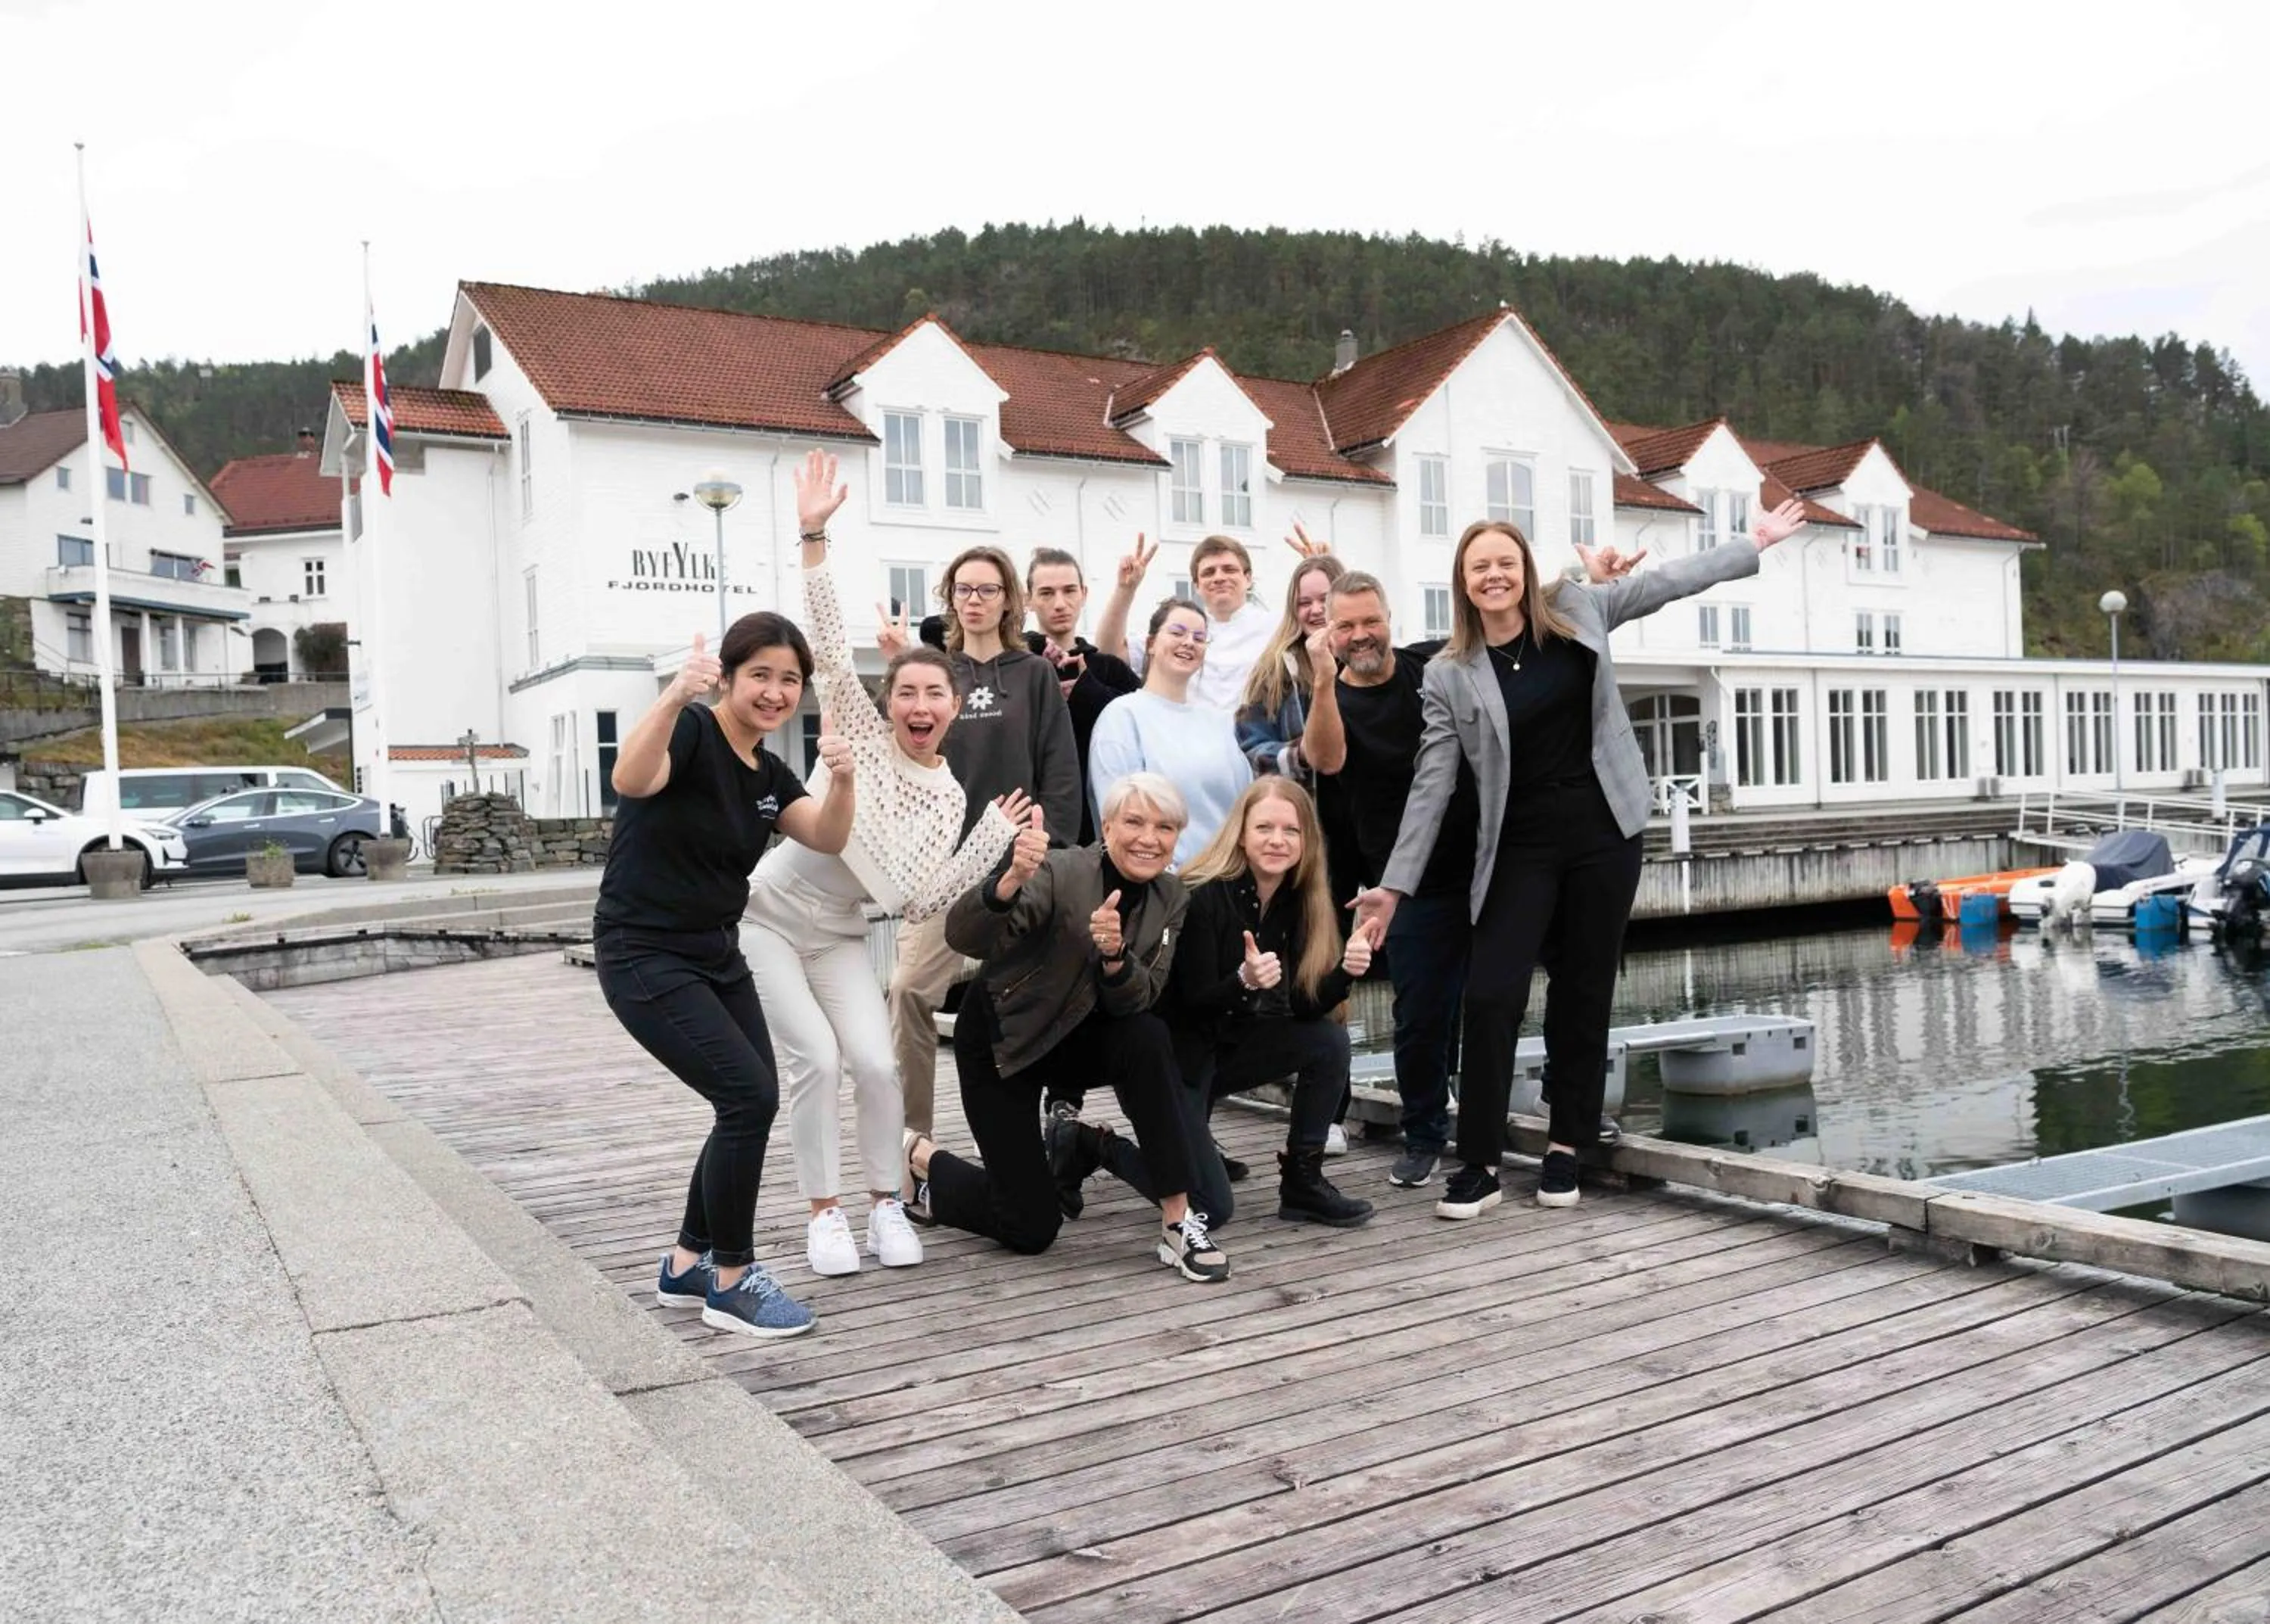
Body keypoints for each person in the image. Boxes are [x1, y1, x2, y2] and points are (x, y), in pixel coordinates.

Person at [1354, 501, 1805, 1218]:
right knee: (1491, 992)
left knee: (1583, 988)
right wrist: (1393, 887)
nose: (1495, 575)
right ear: (1463, 584)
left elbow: (1670, 582)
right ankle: (1478, 1163)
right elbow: (1432, 782)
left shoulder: (1577, 610)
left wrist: (1753, 542)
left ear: (1526, 571)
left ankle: (1567, 1148)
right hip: (1518, 846)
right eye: (1481, 567)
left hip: (1606, 830)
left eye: (1506, 562)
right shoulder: (1448, 674)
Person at [742, 450, 1025, 1279]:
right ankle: (825, 1215)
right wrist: (813, 535)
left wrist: (989, 840)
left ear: (951, 711)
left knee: (873, 1061)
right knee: (818, 1061)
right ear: (891, 700)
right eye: (907, 693)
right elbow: (827, 645)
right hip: (768, 917)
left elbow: (918, 900)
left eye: (936, 696)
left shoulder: (948, 798)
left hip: (833, 933)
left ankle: (886, 1203)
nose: (920, 707)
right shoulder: (862, 735)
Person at [592, 612, 856, 1340]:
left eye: (789, 681)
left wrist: (844, 778)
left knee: (748, 1100)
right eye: (761, 676)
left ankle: (686, 1264)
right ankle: (731, 1280)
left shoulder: (770, 775)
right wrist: (677, 695)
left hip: (715, 952)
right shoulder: (692, 732)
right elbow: (630, 777)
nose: (775, 692)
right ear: (732, 678)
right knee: (747, 1096)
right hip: (643, 951)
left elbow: (829, 836)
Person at [904, 774, 1231, 1283]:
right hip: (1005, 1044)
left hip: (1075, 1042)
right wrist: (1009, 881)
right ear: (1107, 826)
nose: (1149, 838)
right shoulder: (1060, 871)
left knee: (1148, 1036)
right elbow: (965, 936)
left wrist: (1115, 957)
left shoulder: (1172, 897)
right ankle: (923, 1162)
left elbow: (1143, 996)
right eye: (1135, 822)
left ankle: (1177, 1222)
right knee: (1031, 1227)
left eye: (1165, 827)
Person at [1053, 778, 1376, 1228]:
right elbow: (1191, 1004)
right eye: (1265, 827)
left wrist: (1346, 972)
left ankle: (1303, 1180)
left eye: (1291, 830)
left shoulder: (1298, 899)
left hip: (1223, 1052)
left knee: (1329, 1041)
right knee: (1209, 1207)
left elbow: (1305, 1009)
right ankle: (1088, 1144)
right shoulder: (1202, 894)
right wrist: (1243, 980)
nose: (1278, 841)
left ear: (1307, 840)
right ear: (1241, 832)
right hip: (1170, 1064)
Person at [879, 545, 1081, 1140]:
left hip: (1019, 870)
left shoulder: (1035, 674)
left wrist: (1050, 856)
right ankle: (912, 1141)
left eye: (987, 589)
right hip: (941, 873)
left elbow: (1060, 774)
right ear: (950, 597)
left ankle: (1045, 1132)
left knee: (1031, 1004)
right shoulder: (934, 676)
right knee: (909, 991)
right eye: (963, 589)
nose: (974, 600)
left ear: (1009, 600)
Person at [1300, 570, 1476, 1191]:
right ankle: (1425, 1132)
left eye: (1369, 620)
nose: (1360, 635)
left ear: (1388, 615)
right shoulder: (1331, 700)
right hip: (1400, 881)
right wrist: (1323, 680)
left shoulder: (1431, 665)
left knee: (1482, 1002)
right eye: (1344, 625)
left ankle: (1473, 1119)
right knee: (1420, 1011)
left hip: (1476, 865)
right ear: (1329, 633)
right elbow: (1324, 759)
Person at [1085, 599, 1253, 866]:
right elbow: (1116, 820)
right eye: (1177, 633)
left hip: (1229, 887)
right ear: (1151, 644)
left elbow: (1245, 808)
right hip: (1163, 890)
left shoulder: (1220, 724)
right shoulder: (1123, 717)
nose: (1189, 642)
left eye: (1199, 637)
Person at [1025, 546, 1142, 843]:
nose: (1060, 603)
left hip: (1103, 830)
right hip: (1031, 827)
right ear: (1028, 600)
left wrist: (1086, 690)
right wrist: (1027, 646)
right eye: (1047, 593)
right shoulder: (1016, 665)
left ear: (1084, 594)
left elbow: (1145, 727)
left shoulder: (1109, 669)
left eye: (1069, 591)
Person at [1096, 533, 1273, 711]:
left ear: (1248, 578)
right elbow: (1110, 652)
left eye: (1229, 569)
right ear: (1197, 586)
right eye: (1208, 572)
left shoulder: (1277, 627)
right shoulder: (1180, 633)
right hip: (1190, 734)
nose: (1219, 577)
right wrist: (1125, 589)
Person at [1235, 548, 1346, 781]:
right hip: (1306, 807)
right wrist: (1302, 754)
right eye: (1304, 603)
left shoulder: (1364, 663)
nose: (1316, 610)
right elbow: (1249, 750)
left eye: (1325, 600)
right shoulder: (1274, 669)